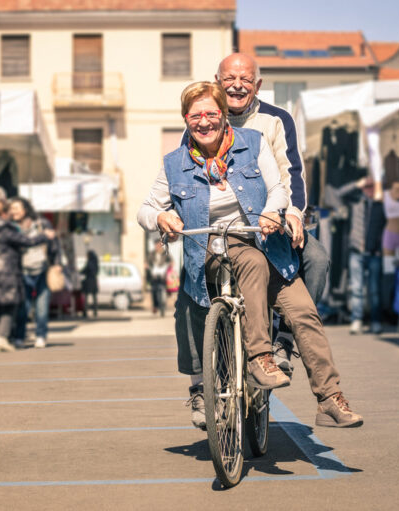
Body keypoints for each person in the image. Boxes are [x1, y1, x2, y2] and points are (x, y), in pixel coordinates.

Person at [138, 81, 362, 428]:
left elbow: (276, 189)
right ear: (186, 120)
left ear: (223, 115)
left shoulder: (253, 145)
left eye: (211, 113)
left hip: (269, 247)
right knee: (249, 260)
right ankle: (260, 358)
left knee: (303, 311)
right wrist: (161, 217)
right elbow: (146, 209)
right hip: (213, 253)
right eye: (195, 115)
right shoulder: (174, 164)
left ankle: (329, 397)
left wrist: (274, 211)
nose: (204, 121)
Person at [174, 53, 331, 378]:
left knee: (317, 259)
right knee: (188, 287)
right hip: (217, 229)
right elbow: (181, 175)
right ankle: (198, 384)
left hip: (269, 221)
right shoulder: (202, 119)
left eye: (245, 79)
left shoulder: (276, 119)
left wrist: (294, 214)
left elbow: (292, 172)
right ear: (218, 82)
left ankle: (284, 337)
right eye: (229, 79)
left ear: (257, 85)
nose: (237, 85)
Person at [0, 188, 54, 352]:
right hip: (5, 270)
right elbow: (26, 241)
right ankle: (2, 337)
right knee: (9, 305)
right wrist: (44, 236)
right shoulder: (4, 227)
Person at [336, 176, 386, 335]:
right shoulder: (356, 202)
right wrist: (358, 183)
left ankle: (375, 321)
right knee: (356, 288)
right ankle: (356, 320)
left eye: (372, 186)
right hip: (356, 251)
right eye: (367, 186)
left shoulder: (381, 204)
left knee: (374, 290)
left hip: (374, 253)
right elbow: (340, 194)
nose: (369, 189)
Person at [7, 198, 57, 349]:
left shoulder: (41, 223)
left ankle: (41, 335)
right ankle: (19, 336)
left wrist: (57, 263)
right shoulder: (10, 227)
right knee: (23, 307)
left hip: (43, 269)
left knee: (42, 307)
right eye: (11, 208)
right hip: (22, 271)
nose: (14, 211)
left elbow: (54, 245)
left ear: (25, 209)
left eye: (17, 207)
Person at [146, 239, 170, 316]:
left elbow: (170, 261)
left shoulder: (165, 253)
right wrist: (147, 266)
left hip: (163, 276)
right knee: (154, 292)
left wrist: (170, 266)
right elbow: (147, 262)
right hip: (154, 276)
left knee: (163, 291)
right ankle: (155, 306)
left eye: (159, 245)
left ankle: (163, 307)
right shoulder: (152, 254)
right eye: (156, 245)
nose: (158, 246)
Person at [81, 249, 99, 318]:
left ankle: (85, 311)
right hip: (94, 280)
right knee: (94, 297)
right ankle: (95, 311)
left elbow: (85, 270)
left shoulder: (90, 262)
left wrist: (80, 272)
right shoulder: (96, 262)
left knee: (86, 297)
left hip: (89, 280)